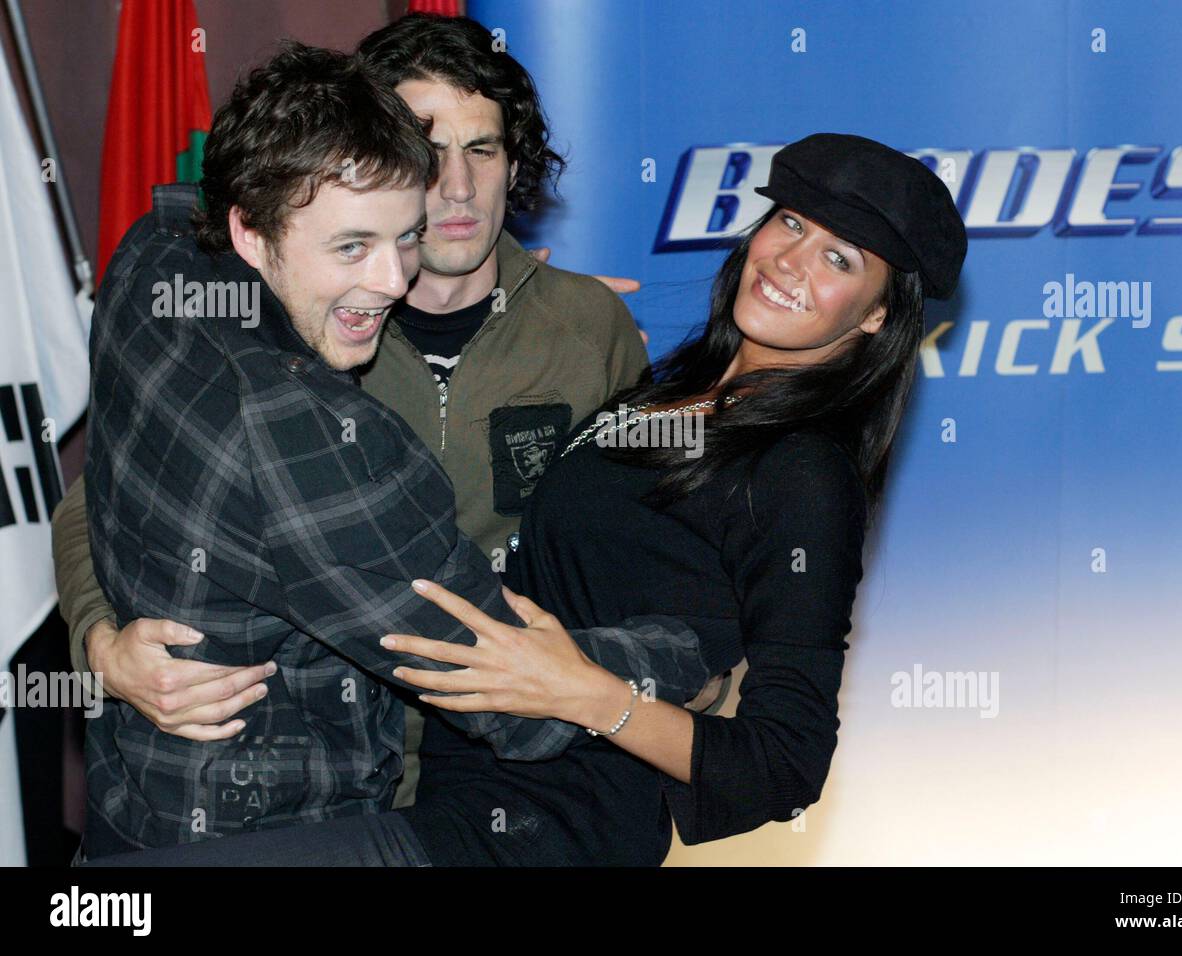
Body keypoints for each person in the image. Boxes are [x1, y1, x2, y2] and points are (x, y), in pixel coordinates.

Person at [86, 132, 967, 866]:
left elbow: (784, 763)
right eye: (790, 222)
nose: (789, 262)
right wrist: (523, 300)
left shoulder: (805, 474)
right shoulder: (676, 393)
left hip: (546, 824)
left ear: (877, 318)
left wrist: (590, 695)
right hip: (442, 785)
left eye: (839, 259)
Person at [73, 42, 708, 862]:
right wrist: (700, 651)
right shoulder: (300, 430)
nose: (388, 279)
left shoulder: (155, 253)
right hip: (299, 832)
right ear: (251, 228)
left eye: (403, 236)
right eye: (350, 246)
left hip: (154, 816)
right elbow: (500, 683)